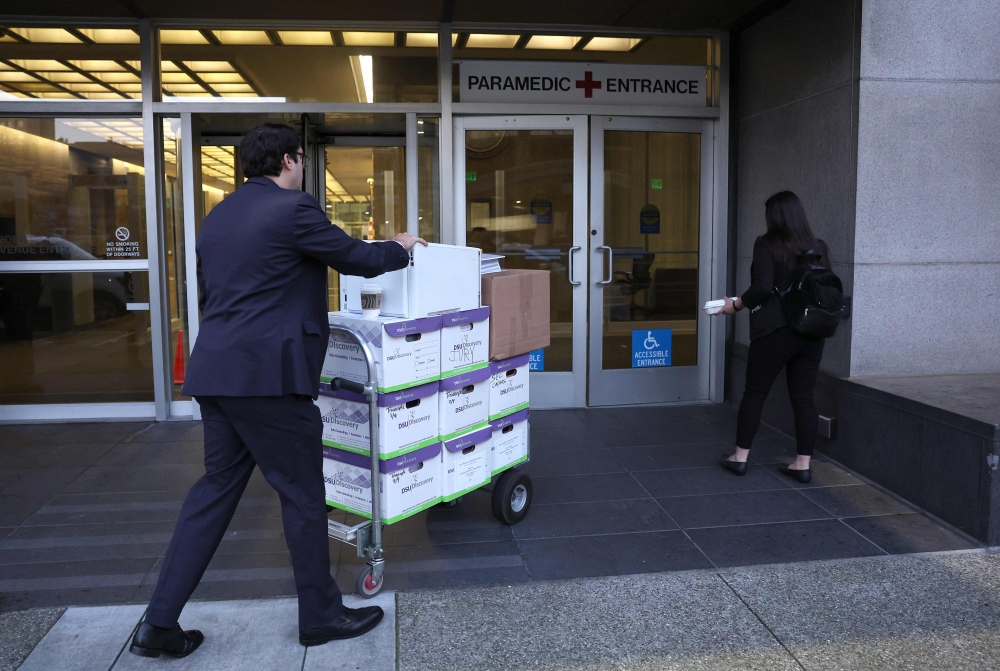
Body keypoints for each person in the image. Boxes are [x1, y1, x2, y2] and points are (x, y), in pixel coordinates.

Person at [129, 123, 427, 659]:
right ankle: (320, 615)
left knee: (213, 493)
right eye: (302, 161)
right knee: (303, 496)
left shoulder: (218, 216)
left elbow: (218, 292)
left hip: (218, 376)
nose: (303, 169)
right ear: (290, 160)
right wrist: (400, 248)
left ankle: (159, 622)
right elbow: (353, 256)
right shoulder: (294, 210)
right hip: (269, 380)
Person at [713, 191, 829, 484]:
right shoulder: (818, 247)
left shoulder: (767, 244)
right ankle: (802, 464)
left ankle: (739, 458)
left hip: (775, 332)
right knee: (803, 398)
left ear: (774, 216)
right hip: (811, 332)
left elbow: (763, 286)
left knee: (754, 393)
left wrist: (735, 305)